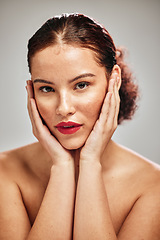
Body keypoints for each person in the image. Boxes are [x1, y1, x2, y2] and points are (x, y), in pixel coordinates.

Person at [0, 13, 160, 240]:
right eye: (46, 88)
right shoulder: (4, 172)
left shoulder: (154, 185)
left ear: (113, 80)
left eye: (81, 85)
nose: (63, 108)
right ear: (31, 91)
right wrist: (62, 167)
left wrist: (90, 163)